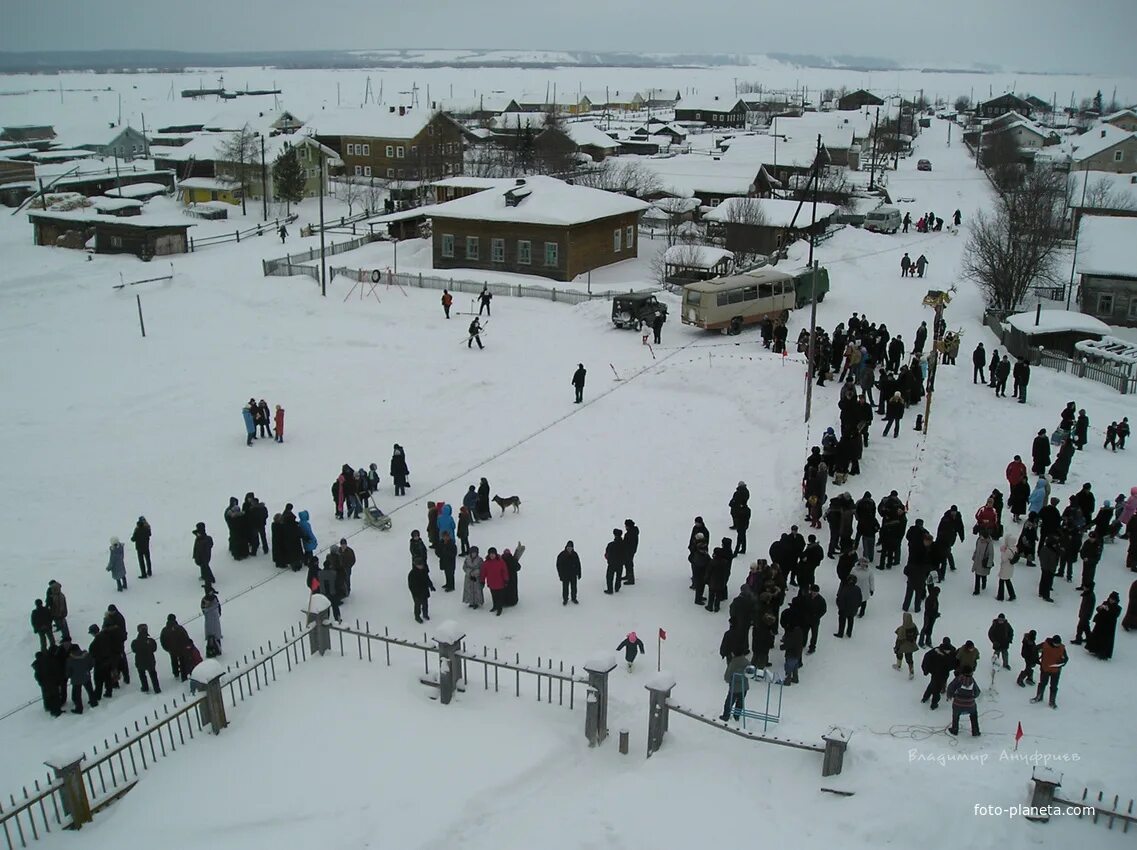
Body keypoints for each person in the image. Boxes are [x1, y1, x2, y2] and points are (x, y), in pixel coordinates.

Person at [1031, 635, 1067, 708]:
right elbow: (1035, 649)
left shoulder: (1062, 648)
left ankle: (1052, 701)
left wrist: (1063, 662)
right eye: (1056, 644)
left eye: (1059, 644)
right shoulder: (1045, 645)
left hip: (1056, 671)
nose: (1057, 645)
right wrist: (1036, 659)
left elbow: (1066, 658)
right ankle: (1039, 697)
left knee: (1054, 686)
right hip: (1045, 669)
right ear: (1053, 642)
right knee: (1042, 684)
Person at [920, 638, 956, 710]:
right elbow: (954, 663)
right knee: (937, 689)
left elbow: (927, 657)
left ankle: (925, 698)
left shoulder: (936, 651)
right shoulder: (952, 653)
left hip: (935, 672)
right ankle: (934, 704)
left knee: (932, 684)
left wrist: (926, 670)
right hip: (944, 673)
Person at [1084, 591, 1121, 660]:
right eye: (1110, 598)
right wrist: (1100, 608)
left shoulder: (1118, 608)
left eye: (1113, 599)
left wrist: (1108, 610)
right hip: (1100, 624)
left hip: (1108, 627)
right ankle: (1094, 649)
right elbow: (1098, 609)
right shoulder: (1105, 603)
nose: (1111, 600)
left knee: (1105, 640)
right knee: (1097, 637)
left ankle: (1102, 653)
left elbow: (1114, 616)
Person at [946, 666, 981, 736]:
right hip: (970, 705)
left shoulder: (958, 679)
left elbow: (950, 688)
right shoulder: (972, 681)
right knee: (974, 714)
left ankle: (954, 730)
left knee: (956, 715)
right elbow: (977, 693)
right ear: (971, 673)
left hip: (958, 703)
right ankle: (975, 731)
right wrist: (972, 697)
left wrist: (950, 695)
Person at [65, 644, 98, 714]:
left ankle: (79, 708)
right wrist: (88, 669)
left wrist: (69, 676)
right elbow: (92, 663)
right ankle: (94, 703)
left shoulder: (70, 659)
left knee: (77, 695)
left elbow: (68, 671)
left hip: (76, 679)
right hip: (86, 675)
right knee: (90, 691)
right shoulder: (86, 655)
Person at [720, 650, 751, 721]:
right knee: (740, 702)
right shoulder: (747, 662)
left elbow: (727, 677)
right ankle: (736, 716)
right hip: (744, 687)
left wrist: (730, 680)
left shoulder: (733, 663)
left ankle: (726, 716)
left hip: (734, 688)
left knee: (729, 702)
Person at [131, 624, 160, 694]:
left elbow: (134, 650)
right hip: (150, 660)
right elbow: (154, 649)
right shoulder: (151, 640)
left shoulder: (135, 642)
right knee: (153, 674)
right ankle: (157, 689)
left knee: (142, 675)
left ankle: (145, 687)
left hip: (139, 661)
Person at [482, 547, 509, 615]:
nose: (492, 555)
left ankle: (499, 608)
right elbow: (483, 573)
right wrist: (482, 580)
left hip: (500, 583)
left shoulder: (500, 561)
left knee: (500, 597)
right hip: (491, 583)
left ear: (495, 554)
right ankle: (495, 606)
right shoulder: (486, 563)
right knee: (494, 596)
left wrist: (506, 579)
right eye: (490, 554)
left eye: (493, 554)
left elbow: (504, 571)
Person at [893, 612, 919, 678]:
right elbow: (916, 634)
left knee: (899, 654)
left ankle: (898, 665)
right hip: (910, 646)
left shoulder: (902, 629)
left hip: (902, 646)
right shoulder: (914, 626)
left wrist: (896, 647)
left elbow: (899, 639)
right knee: (909, 658)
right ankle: (911, 671)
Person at [192, 522, 215, 587]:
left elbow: (207, 549)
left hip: (204, 558)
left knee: (205, 568)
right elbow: (196, 548)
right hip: (200, 557)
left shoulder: (205, 539)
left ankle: (210, 579)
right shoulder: (199, 538)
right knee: (203, 567)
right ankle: (204, 576)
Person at [201, 590, 222, 658]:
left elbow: (202, 609)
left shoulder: (204, 600)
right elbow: (218, 606)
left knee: (212, 634)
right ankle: (217, 649)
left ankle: (213, 649)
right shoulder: (214, 598)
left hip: (210, 619)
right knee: (215, 634)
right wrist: (218, 613)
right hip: (213, 618)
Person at [604, 529, 625, 594]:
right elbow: (626, 554)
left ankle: (610, 590)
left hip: (612, 563)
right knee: (619, 576)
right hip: (620, 563)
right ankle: (617, 587)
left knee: (609, 577)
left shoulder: (611, 545)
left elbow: (606, 555)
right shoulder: (624, 544)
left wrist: (609, 559)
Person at [623, 519, 640, 583]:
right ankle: (628, 576)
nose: (625, 527)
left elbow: (627, 543)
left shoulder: (630, 534)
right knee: (628, 563)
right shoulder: (633, 532)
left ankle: (631, 579)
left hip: (629, 551)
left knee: (629, 564)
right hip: (631, 550)